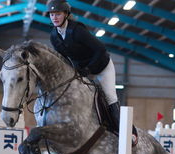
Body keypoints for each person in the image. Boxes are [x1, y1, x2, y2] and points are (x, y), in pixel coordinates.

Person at [46, 0, 120, 133]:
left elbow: (101, 49)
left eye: (57, 14)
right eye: (52, 14)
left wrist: (89, 69)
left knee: (110, 96)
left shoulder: (77, 30)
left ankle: (124, 132)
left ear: (66, 14)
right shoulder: (54, 37)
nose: (54, 18)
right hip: (82, 70)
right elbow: (65, 59)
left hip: (101, 66)